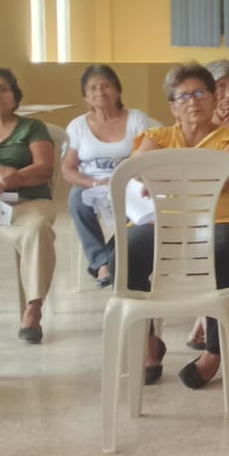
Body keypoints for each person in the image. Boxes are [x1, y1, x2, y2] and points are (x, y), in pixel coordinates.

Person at [128, 63, 229, 388]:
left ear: (214, 99)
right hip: (165, 221)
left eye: (200, 93)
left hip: (221, 220)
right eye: (183, 96)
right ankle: (149, 341)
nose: (193, 101)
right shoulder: (157, 137)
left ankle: (214, 350)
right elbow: (140, 172)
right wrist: (198, 178)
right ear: (173, 107)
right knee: (126, 252)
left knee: (223, 250)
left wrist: (167, 178)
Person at [0, 67, 56, 345]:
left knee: (38, 228)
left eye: (3, 89)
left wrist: (9, 180)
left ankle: (34, 307)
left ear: (15, 97)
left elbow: (44, 169)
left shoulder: (33, 128)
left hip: (26, 202)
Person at [62, 64, 155, 289]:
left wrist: (127, 180)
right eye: (93, 88)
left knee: (142, 209)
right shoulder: (78, 126)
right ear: (85, 96)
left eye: (106, 86)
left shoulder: (137, 119)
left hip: (130, 182)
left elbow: (152, 152)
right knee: (76, 200)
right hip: (92, 183)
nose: (100, 92)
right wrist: (94, 182)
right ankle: (101, 262)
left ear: (118, 91)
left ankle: (113, 256)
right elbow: (68, 169)